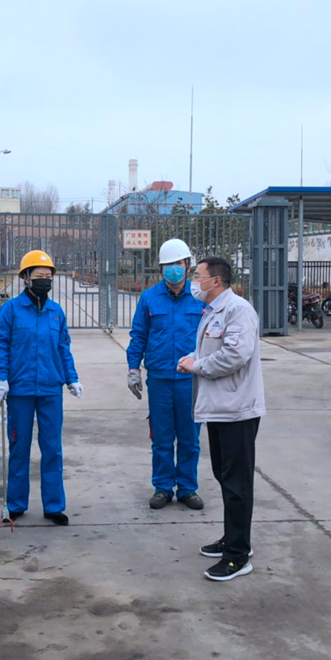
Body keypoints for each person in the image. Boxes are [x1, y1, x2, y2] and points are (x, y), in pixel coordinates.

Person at [177, 256, 265, 582]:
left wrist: (197, 366)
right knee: (225, 477)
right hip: (219, 408)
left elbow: (235, 355)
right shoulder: (213, 310)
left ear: (215, 281)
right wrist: (192, 359)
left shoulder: (238, 310)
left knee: (237, 483)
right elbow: (211, 351)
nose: (193, 281)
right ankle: (233, 538)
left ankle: (238, 556)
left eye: (197, 276)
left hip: (237, 410)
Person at [0, 250, 82, 526]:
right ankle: (16, 504)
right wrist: (1, 376)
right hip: (20, 390)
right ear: (26, 278)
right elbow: (0, 345)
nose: (45, 280)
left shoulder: (56, 312)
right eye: (39, 275)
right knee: (19, 447)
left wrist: (72, 378)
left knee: (52, 448)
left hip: (51, 389)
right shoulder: (10, 311)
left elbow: (63, 348)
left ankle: (53, 506)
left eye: (48, 276)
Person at [126, 239, 205, 511]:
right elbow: (138, 335)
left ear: (187, 265)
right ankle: (162, 487)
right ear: (161, 268)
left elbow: (210, 335)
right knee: (161, 438)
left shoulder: (199, 297)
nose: (174, 269)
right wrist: (133, 368)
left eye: (178, 264)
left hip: (190, 380)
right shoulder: (149, 298)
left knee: (189, 438)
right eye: (168, 265)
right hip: (159, 379)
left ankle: (187, 488)